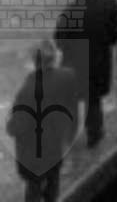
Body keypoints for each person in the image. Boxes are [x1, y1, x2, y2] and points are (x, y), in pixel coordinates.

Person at [55, 0, 117, 150]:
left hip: (74, 64)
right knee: (93, 101)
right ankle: (94, 134)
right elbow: (116, 30)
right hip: (99, 62)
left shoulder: (70, 11)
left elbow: (60, 40)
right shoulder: (109, 2)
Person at [7, 39, 79, 202]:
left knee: (34, 189)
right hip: (55, 145)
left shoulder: (28, 90)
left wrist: (9, 125)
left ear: (34, 60)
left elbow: (16, 126)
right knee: (53, 185)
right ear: (53, 57)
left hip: (33, 153)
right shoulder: (67, 77)